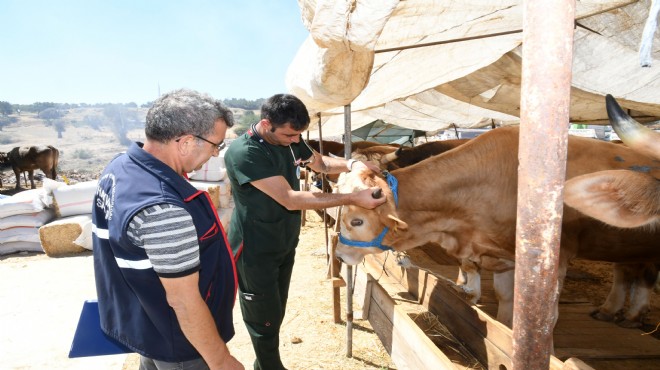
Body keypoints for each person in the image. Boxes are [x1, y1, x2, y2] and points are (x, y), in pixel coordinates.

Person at [224, 93, 386, 370]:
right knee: (262, 315)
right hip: (255, 246)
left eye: (299, 134)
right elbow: (289, 198)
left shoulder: (289, 142)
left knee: (278, 307)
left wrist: (352, 164)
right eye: (290, 134)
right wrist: (352, 198)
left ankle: (264, 363)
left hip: (284, 240)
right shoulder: (245, 152)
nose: (296, 140)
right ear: (266, 124)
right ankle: (269, 366)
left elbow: (320, 164)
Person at [92, 88, 244, 370]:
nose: (214, 154)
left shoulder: (120, 167)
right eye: (215, 145)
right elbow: (183, 302)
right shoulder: (164, 208)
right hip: (182, 344)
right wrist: (221, 361)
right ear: (186, 142)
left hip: (147, 325)